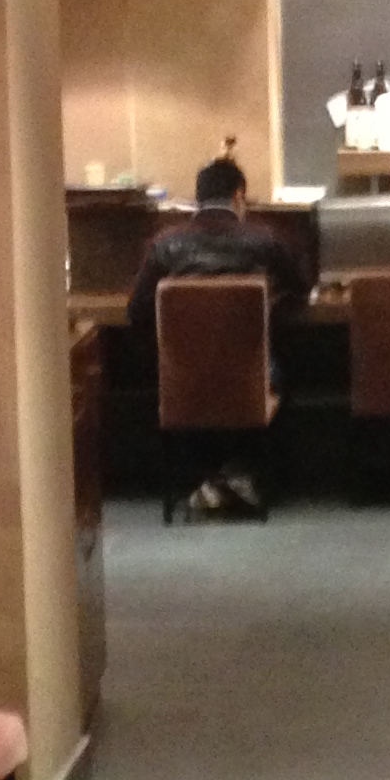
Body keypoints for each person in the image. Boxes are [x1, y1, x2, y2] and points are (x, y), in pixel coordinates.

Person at [128, 148, 304, 516]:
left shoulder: (165, 244)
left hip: (182, 380)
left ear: (198, 197)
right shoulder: (265, 240)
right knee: (285, 371)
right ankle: (240, 475)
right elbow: (300, 289)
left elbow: (136, 311)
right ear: (239, 195)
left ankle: (209, 478)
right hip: (251, 375)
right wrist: (269, 310)